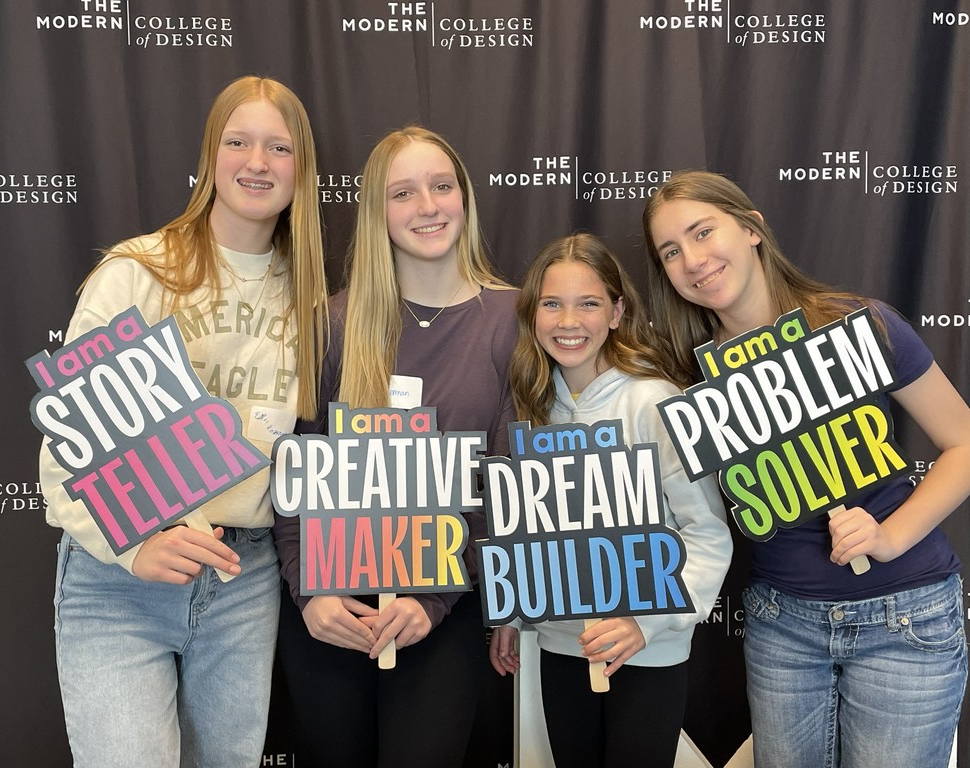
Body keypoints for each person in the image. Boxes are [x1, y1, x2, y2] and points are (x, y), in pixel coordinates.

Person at [41, 75, 328, 767]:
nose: (257, 162)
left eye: (279, 147)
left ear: (302, 168)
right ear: (210, 156)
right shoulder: (136, 271)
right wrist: (132, 545)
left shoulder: (316, 299)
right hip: (118, 579)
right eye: (238, 142)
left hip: (242, 577)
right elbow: (68, 442)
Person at [642, 169, 970, 768]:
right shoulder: (690, 378)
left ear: (752, 229)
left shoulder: (860, 326)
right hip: (782, 627)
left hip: (906, 618)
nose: (692, 260)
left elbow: (965, 443)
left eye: (702, 231)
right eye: (670, 251)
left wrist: (889, 535)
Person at [273, 125, 518, 767]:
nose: (427, 206)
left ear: (465, 196)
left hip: (443, 609)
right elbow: (292, 476)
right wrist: (309, 592)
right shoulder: (332, 322)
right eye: (402, 192)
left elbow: (507, 492)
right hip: (330, 609)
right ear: (376, 212)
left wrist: (434, 599)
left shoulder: (513, 321)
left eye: (441, 186)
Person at [489, 233, 732, 767]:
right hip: (561, 648)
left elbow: (707, 533)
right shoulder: (530, 406)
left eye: (589, 303)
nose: (568, 321)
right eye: (551, 304)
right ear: (531, 314)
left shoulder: (654, 400)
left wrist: (645, 625)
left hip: (647, 652)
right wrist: (515, 613)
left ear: (617, 312)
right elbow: (531, 533)